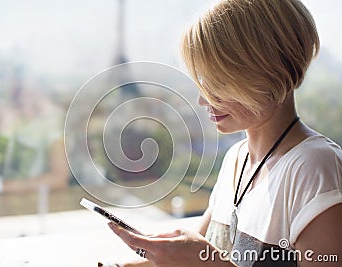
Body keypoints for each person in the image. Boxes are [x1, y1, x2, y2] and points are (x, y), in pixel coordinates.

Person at [105, 0, 342, 266]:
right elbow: (204, 253)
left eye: (220, 81)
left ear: (269, 71)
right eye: (205, 81)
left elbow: (206, 260)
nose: (204, 100)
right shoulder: (236, 160)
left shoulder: (314, 168)